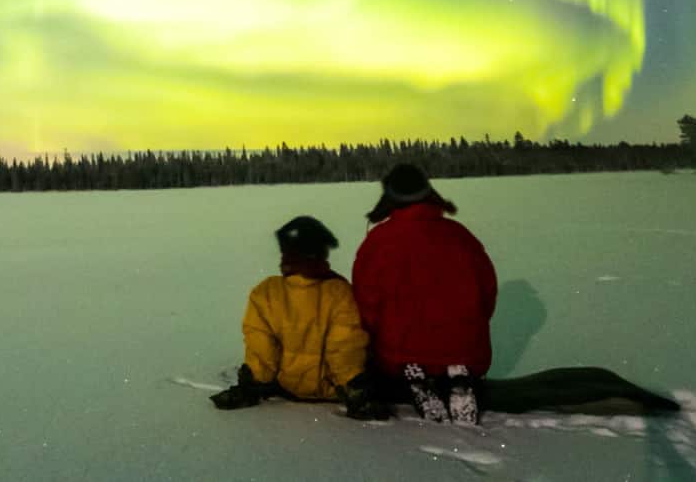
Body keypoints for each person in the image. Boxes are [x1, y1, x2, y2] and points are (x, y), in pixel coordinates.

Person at [352, 163, 498, 424]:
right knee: (454, 347)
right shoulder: (461, 236)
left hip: (398, 351)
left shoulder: (377, 242)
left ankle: (416, 372)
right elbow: (487, 294)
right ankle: (457, 372)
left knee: (399, 350)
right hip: (466, 348)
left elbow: (366, 305)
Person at [209, 216, 389, 419]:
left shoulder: (266, 292)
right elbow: (344, 348)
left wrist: (251, 385)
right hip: (331, 391)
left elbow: (262, 349)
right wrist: (356, 391)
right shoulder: (339, 292)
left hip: (288, 386)